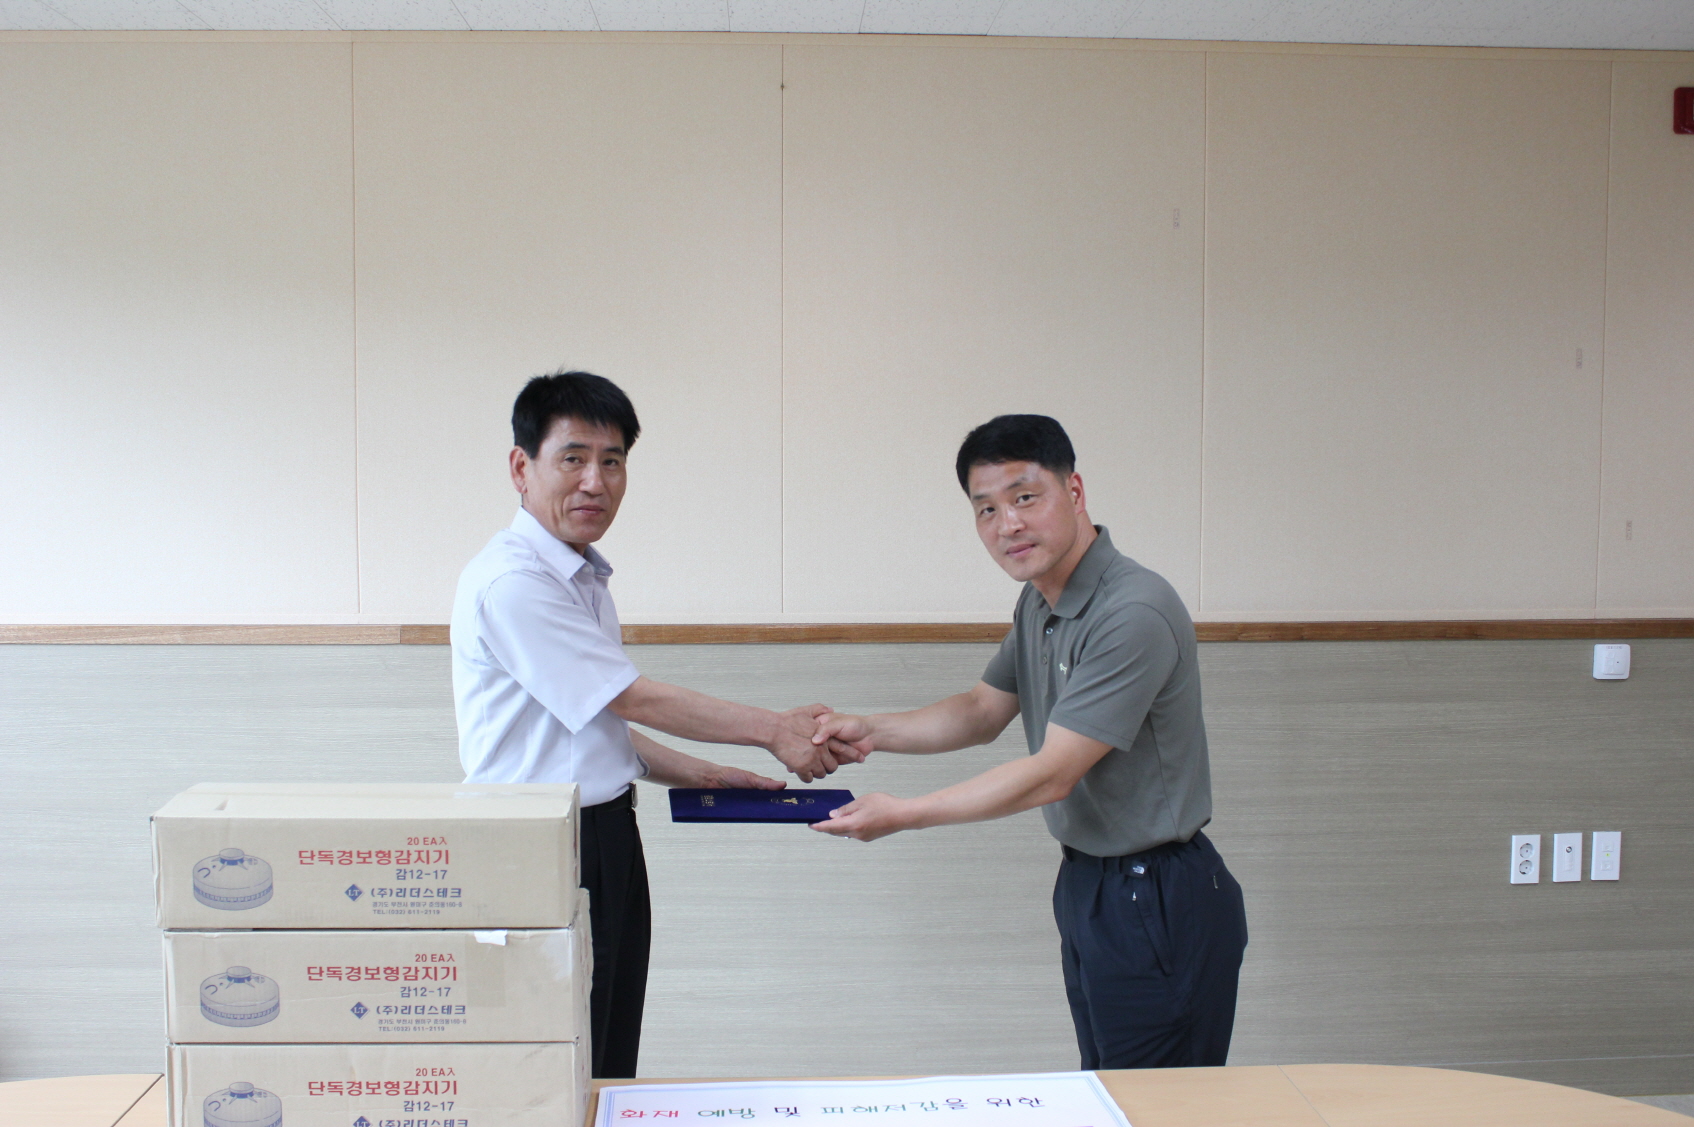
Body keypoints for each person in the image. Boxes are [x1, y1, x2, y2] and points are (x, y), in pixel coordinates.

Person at [450, 369, 860, 1079]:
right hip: (541, 847)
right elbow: (634, 698)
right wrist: (774, 729)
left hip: (603, 835)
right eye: (573, 458)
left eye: (612, 461)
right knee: (556, 1062)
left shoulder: (579, 574)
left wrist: (702, 773)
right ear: (521, 467)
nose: (595, 481)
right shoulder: (514, 583)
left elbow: (589, 722)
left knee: (609, 1046)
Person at [810, 414, 1248, 1070]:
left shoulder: (1133, 610)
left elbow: (1053, 773)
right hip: (1090, 884)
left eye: (1024, 497)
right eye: (986, 508)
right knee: (1105, 1092)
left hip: (1158, 892)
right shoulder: (1041, 600)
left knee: (1157, 1106)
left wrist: (904, 814)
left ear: (1074, 491)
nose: (1007, 524)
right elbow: (982, 710)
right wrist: (870, 730)